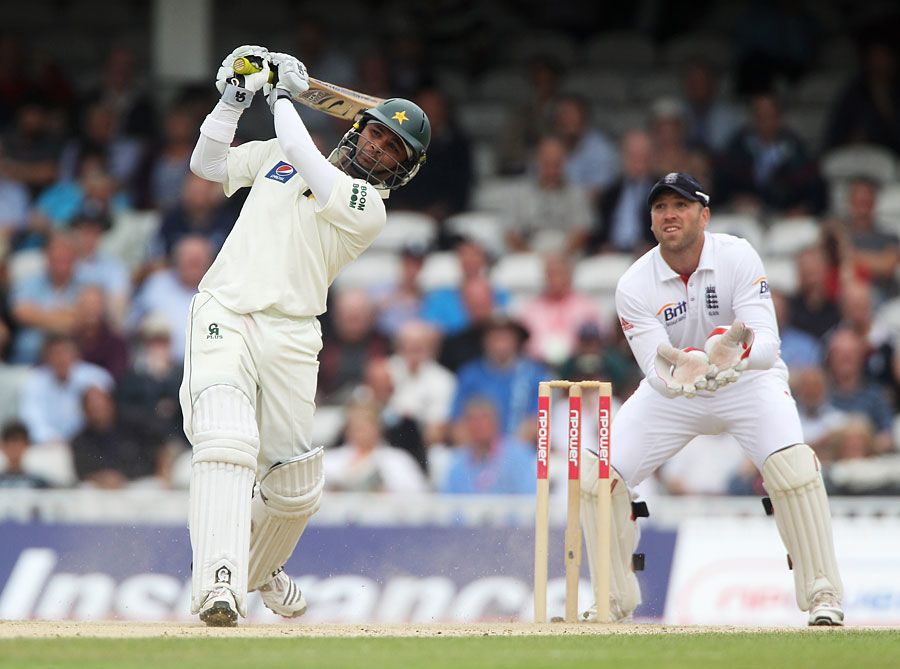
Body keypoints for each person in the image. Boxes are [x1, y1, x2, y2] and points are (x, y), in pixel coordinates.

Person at [181, 45, 430, 627]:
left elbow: (300, 149)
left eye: (393, 148)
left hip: (293, 333)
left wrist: (281, 94)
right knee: (225, 436)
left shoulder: (367, 207)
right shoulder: (279, 154)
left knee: (294, 488)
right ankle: (219, 586)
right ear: (359, 129)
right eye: (377, 134)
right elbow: (207, 166)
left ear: (401, 168)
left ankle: (260, 566)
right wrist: (232, 101)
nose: (378, 148)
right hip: (227, 309)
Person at [578, 172, 844, 627]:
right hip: (678, 392)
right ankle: (612, 600)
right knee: (598, 477)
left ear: (704, 216)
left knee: (793, 468)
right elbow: (655, 371)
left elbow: (768, 345)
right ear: (651, 221)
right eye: (660, 208)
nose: (669, 215)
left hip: (746, 383)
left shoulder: (736, 255)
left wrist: (735, 352)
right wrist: (684, 368)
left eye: (680, 206)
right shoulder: (634, 284)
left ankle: (823, 593)